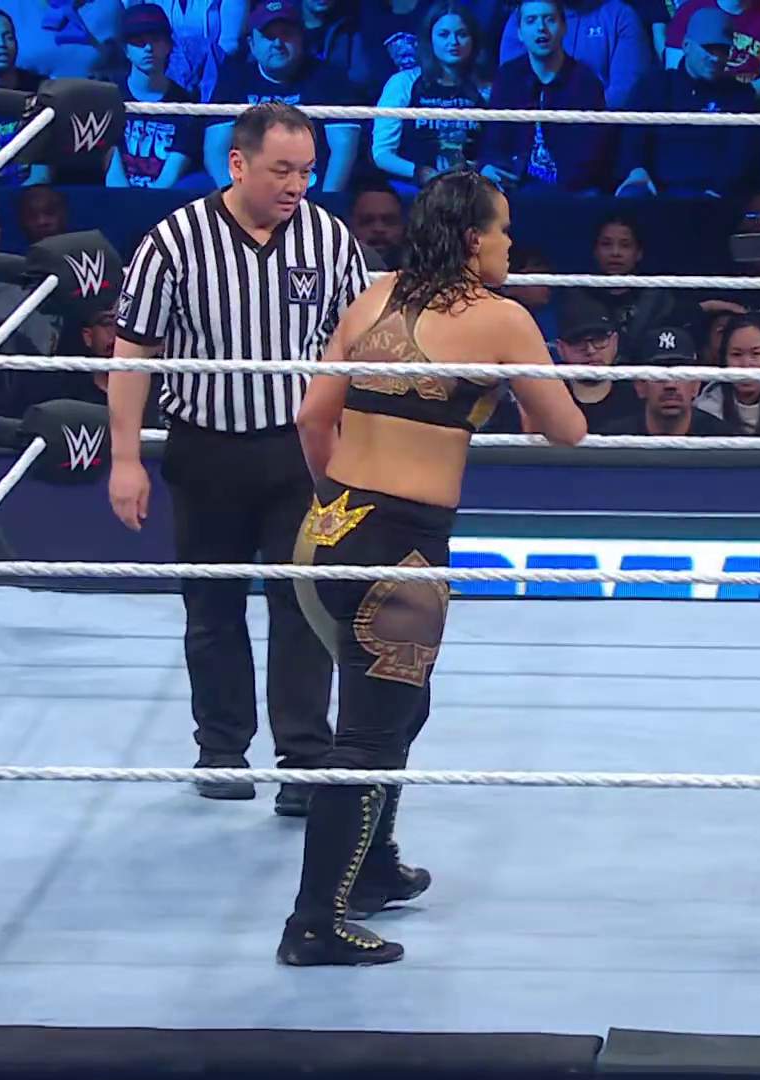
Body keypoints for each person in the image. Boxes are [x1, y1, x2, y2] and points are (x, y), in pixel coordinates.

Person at [278, 167, 588, 966]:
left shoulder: (374, 295)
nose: (511, 243)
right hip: (401, 552)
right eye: (504, 229)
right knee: (369, 737)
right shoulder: (503, 318)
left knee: (400, 711)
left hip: (327, 530)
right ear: (474, 238)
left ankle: (373, 865)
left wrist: (337, 498)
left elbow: (312, 417)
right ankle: (315, 922)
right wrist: (526, 381)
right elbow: (567, 429)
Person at [108, 103, 359, 814]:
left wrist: (353, 451)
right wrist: (125, 458)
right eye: (282, 170)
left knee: (302, 604)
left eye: (307, 171)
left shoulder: (330, 238)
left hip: (298, 452)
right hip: (205, 449)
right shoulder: (173, 241)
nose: (297, 185)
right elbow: (132, 355)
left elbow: (354, 351)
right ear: (238, 164)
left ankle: (305, 760)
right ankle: (221, 748)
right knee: (212, 606)